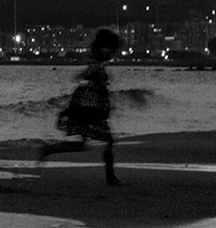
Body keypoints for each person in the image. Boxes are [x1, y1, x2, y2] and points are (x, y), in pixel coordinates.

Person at [39, 28, 143, 185]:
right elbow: (87, 78)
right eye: (111, 49)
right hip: (89, 109)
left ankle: (48, 150)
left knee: (84, 144)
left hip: (87, 107)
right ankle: (110, 177)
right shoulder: (97, 63)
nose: (112, 53)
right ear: (106, 47)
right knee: (107, 140)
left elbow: (86, 79)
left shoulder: (97, 61)